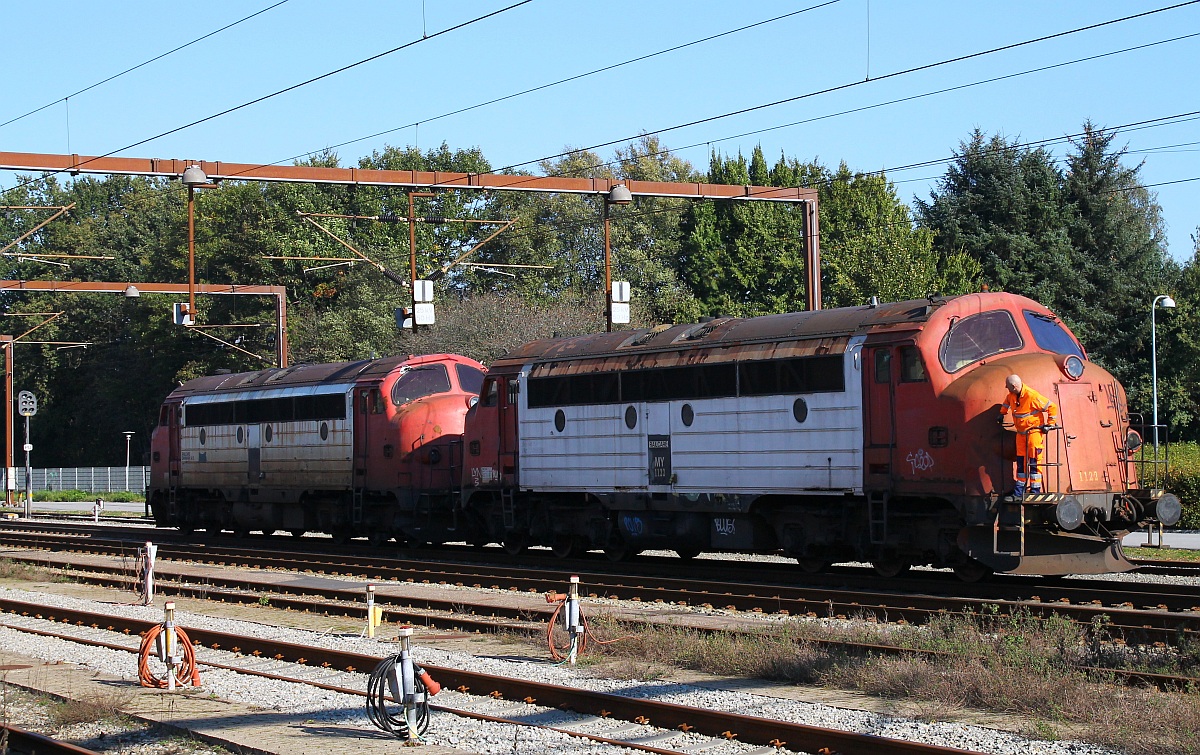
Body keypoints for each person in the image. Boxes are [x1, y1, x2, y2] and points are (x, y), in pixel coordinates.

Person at [999, 374, 1058, 499]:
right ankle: (1019, 491)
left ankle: (1035, 491)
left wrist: (1050, 424)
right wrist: (1002, 413)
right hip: (1021, 434)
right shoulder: (1011, 396)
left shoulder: (1032, 396)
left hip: (1034, 433)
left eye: (1007, 386)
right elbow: (1006, 403)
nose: (1006, 388)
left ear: (1014, 386)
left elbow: (1052, 407)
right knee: (1021, 462)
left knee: (1034, 461)